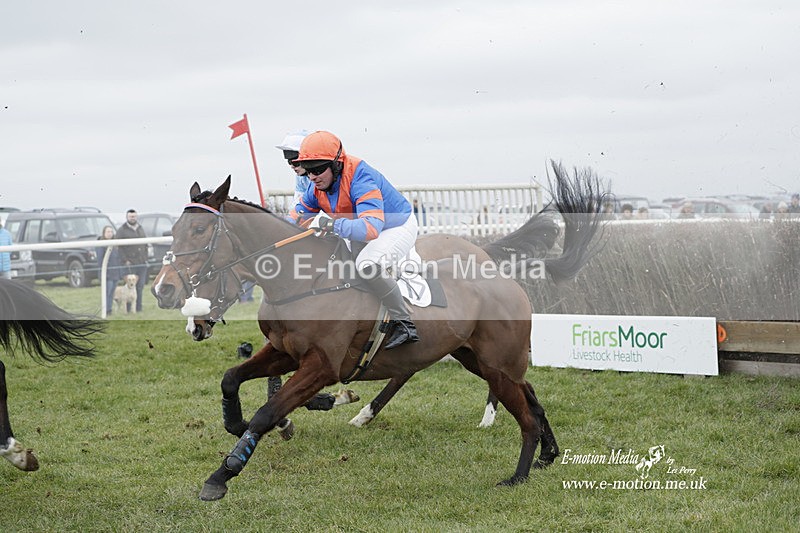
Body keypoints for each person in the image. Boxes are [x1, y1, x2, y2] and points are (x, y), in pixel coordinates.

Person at [289, 130, 419, 349]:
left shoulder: (361, 178)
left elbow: (370, 228)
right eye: (308, 171)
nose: (312, 177)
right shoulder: (316, 186)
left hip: (395, 226)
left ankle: (404, 323)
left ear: (337, 164)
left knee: (367, 265)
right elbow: (296, 218)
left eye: (318, 169)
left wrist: (330, 224)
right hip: (360, 228)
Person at [116, 209, 148, 313]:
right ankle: (128, 309)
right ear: (127, 217)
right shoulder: (121, 230)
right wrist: (125, 260)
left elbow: (145, 244)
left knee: (140, 286)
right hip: (130, 263)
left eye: (134, 216)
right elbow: (119, 247)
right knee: (129, 287)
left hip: (141, 263)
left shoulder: (140, 228)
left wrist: (145, 258)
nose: (132, 218)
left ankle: (138, 308)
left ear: (136, 217)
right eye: (130, 216)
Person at [276, 130, 312, 205]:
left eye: (296, 163)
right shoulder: (301, 178)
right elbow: (297, 204)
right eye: (289, 162)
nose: (292, 167)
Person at [96, 225, 122, 314]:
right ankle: (105, 310)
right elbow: (100, 261)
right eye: (108, 232)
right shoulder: (101, 245)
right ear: (104, 233)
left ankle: (109, 309)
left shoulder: (114, 245)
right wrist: (104, 274)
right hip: (107, 274)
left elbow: (117, 259)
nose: (110, 233)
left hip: (115, 274)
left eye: (111, 231)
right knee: (107, 292)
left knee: (112, 293)